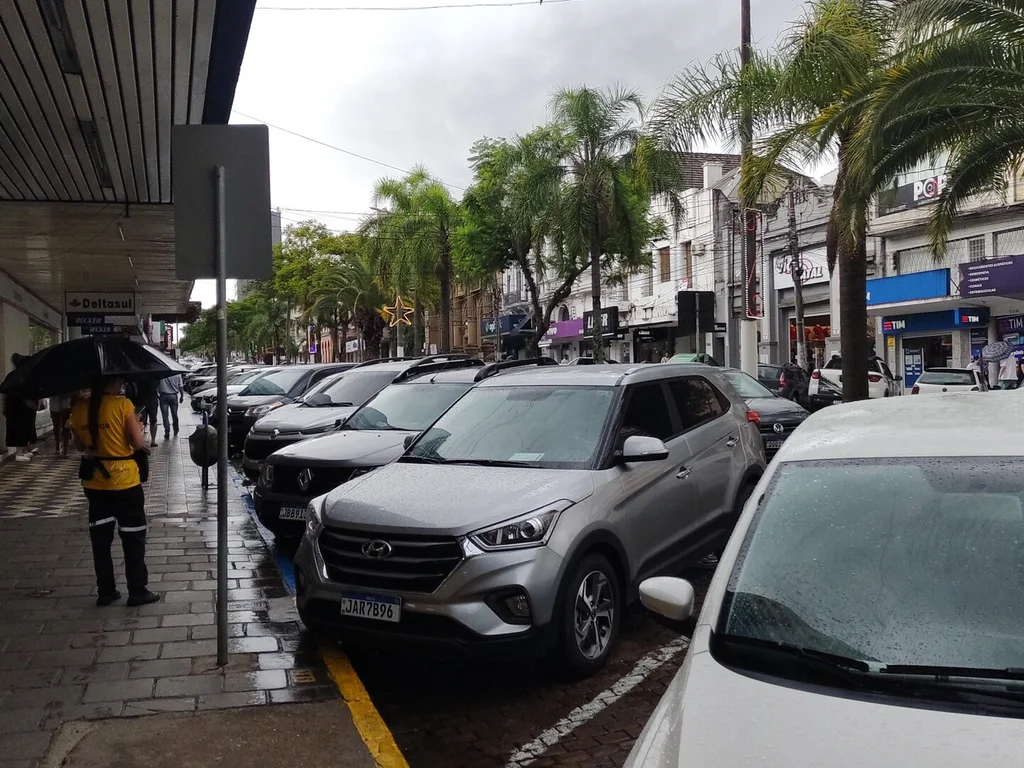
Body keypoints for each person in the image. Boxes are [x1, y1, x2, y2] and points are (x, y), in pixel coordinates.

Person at [69, 376, 159, 607]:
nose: (123, 384)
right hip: (125, 481)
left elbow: (79, 446)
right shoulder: (123, 405)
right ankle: (137, 591)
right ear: (111, 382)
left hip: (95, 483)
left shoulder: (79, 407)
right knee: (133, 537)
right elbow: (138, 444)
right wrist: (139, 426)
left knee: (101, 540)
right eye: (120, 380)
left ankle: (106, 591)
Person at [4, 353, 38, 462]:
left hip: (20, 407)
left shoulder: (14, 375)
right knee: (20, 428)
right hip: (19, 407)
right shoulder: (19, 376)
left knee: (25, 428)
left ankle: (23, 450)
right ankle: (19, 452)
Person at [129, 379, 159, 448]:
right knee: (151, 421)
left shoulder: (139, 377)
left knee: (143, 422)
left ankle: (142, 441)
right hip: (150, 402)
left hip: (142, 401)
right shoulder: (155, 376)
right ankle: (152, 441)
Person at [157, 374, 184, 440]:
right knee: (174, 414)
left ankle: (167, 430)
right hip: (173, 396)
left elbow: (157, 384)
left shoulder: (162, 372)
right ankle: (176, 429)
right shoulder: (177, 374)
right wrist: (182, 396)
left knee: (165, 415)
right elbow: (180, 386)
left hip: (163, 396)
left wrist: (157, 394)